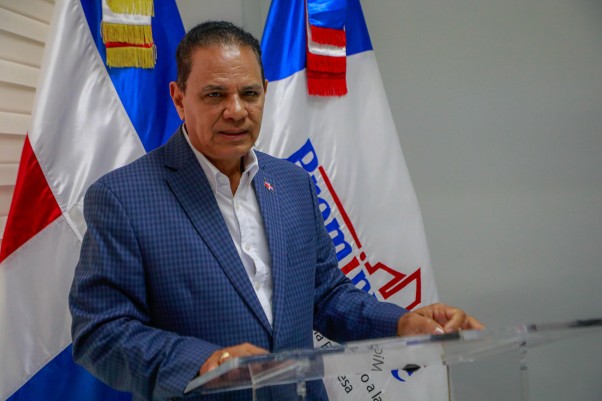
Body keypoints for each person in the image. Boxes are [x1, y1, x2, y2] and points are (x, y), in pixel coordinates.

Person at [69, 21, 483, 401]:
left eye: (249, 93)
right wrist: (206, 363)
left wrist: (401, 323)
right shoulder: (123, 198)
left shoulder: (293, 183)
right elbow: (101, 332)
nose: (236, 110)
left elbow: (326, 295)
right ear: (179, 98)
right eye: (215, 94)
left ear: (265, 92)